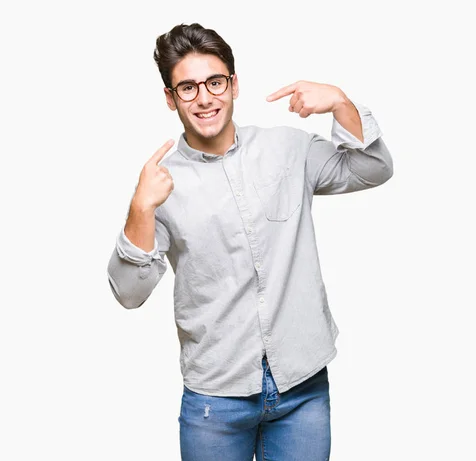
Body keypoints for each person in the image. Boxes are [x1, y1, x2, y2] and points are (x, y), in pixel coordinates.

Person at [107, 22, 393, 461]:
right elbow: (129, 294)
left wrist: (340, 102)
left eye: (215, 82)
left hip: (303, 389)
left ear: (234, 85)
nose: (204, 97)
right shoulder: (161, 185)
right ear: (170, 98)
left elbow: (373, 167)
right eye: (187, 88)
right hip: (215, 401)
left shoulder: (288, 149)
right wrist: (140, 210)